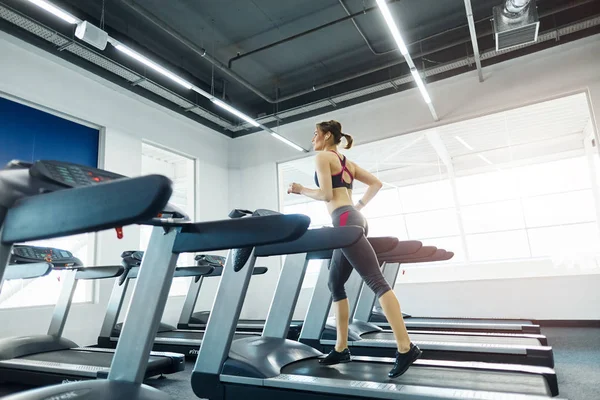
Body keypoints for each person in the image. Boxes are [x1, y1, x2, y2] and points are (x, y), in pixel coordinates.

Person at [287, 120, 421, 378]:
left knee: (375, 281)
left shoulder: (323, 156)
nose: (312, 138)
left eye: (315, 134)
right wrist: (357, 207)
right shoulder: (347, 163)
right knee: (334, 283)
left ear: (326, 136)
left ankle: (406, 348)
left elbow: (326, 195)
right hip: (350, 219)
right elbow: (376, 184)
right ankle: (341, 348)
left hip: (345, 221)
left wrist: (300, 189)